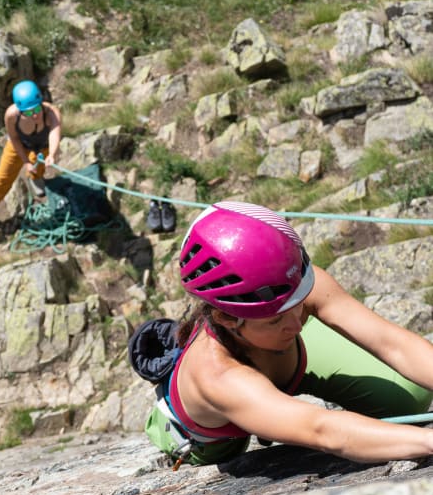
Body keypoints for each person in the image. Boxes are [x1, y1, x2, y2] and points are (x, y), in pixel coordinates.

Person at [146, 200, 433, 466]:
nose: (298, 326)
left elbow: (393, 344)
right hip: (215, 438)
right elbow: (322, 430)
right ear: (227, 318)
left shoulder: (289, 286)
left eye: (299, 305)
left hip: (287, 364)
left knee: (409, 396)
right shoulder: (216, 375)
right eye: (275, 320)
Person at [0, 80, 62, 235]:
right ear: (20, 111)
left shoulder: (51, 113)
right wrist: (25, 161)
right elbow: (14, 138)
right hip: (18, 145)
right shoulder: (12, 116)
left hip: (43, 145)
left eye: (36, 109)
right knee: (3, 178)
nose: (35, 115)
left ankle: (35, 177)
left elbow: (54, 134)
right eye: (28, 112)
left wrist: (52, 154)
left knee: (38, 164)